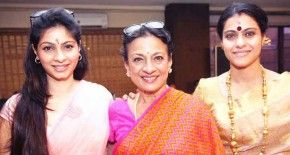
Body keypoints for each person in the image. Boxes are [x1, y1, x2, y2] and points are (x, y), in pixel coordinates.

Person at [0, 8, 112, 155]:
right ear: (35, 51)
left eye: (68, 46)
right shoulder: (16, 106)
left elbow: (113, 148)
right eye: (48, 48)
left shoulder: (101, 97)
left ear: (79, 47)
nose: (60, 57)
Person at [108, 21, 225, 154]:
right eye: (138, 59)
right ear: (127, 66)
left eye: (158, 58)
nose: (149, 68)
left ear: (170, 62)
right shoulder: (117, 110)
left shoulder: (193, 110)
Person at [193, 2, 290, 155]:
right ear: (222, 42)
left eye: (249, 34)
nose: (240, 43)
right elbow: (193, 144)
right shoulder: (206, 90)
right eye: (230, 36)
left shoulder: (286, 87)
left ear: (264, 37)